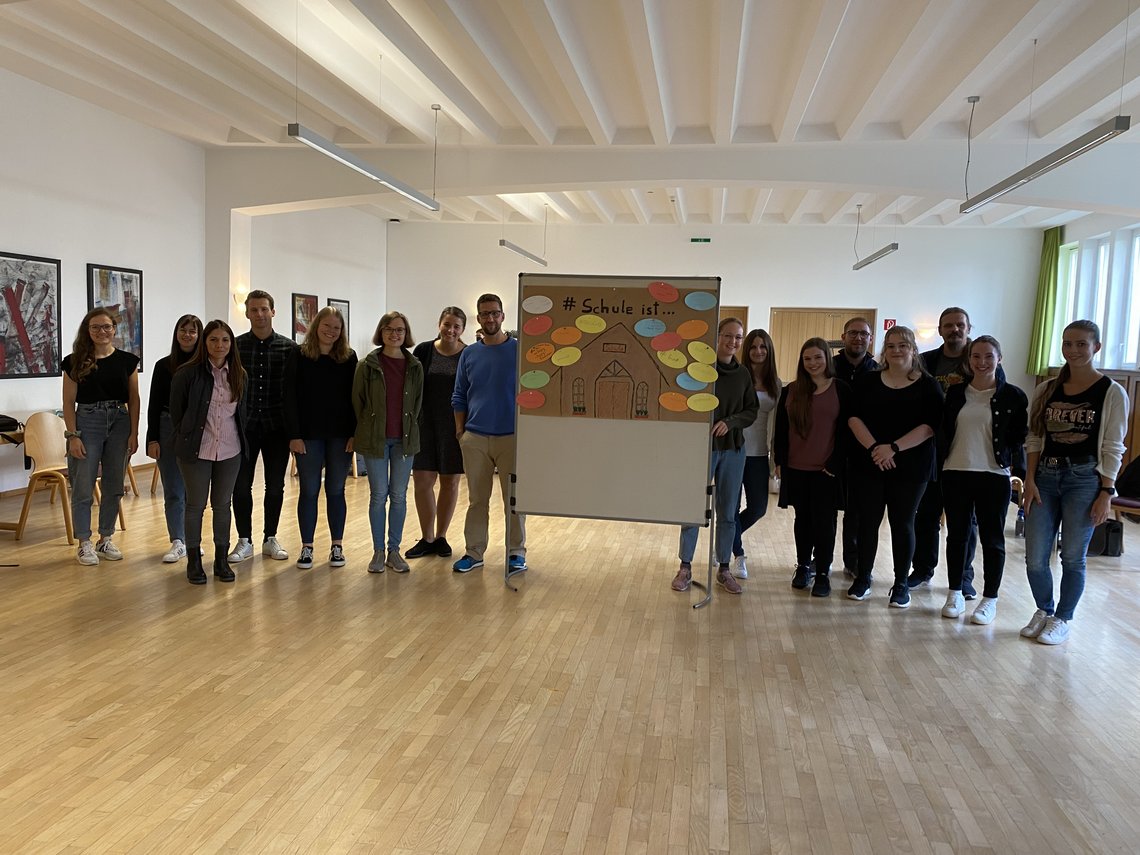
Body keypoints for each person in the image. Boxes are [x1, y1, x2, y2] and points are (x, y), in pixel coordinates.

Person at [1020, 320, 1128, 645]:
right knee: (1035, 557)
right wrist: (1029, 479)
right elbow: (1035, 437)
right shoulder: (1046, 389)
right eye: (1068, 343)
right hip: (1045, 477)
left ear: (1096, 347)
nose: (1073, 350)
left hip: (1084, 479)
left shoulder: (1112, 392)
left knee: (1072, 557)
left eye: (1081, 344)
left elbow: (1113, 446)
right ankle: (1044, 609)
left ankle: (1063, 618)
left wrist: (1106, 492)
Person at [847, 325, 943, 608]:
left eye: (903, 345)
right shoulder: (867, 380)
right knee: (868, 523)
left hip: (912, 466)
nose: (897, 350)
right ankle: (863, 577)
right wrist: (876, 449)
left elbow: (930, 426)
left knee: (903, 524)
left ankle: (901, 583)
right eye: (891, 345)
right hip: (871, 462)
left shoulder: (928, 385)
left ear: (913, 349)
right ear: (884, 350)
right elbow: (853, 418)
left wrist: (894, 448)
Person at [938, 336, 1028, 624]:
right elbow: (943, 430)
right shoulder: (955, 393)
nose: (982, 362)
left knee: (992, 539)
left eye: (989, 356)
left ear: (999, 359)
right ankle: (955, 592)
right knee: (957, 536)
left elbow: (1019, 440)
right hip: (956, 471)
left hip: (993, 475)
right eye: (976, 356)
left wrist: (1023, 476)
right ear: (969, 360)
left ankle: (990, 599)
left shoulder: (1013, 396)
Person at [672, 318, 759, 595]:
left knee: (728, 511)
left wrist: (730, 422)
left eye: (738, 337)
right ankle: (685, 567)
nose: (733, 342)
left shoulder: (743, 374)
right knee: (693, 507)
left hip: (733, 450)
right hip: (702, 450)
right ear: (717, 336)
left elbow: (751, 410)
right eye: (728, 336)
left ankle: (724, 568)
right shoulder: (699, 370)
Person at [911, 307, 984, 596]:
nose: (954, 330)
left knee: (965, 521)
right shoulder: (925, 361)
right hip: (931, 450)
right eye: (949, 325)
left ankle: (963, 576)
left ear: (968, 328)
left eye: (960, 325)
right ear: (940, 330)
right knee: (925, 515)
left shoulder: (979, 360)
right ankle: (922, 569)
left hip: (967, 453)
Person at [451, 294, 526, 573]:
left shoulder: (520, 350)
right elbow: (459, 394)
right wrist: (461, 432)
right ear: (479, 318)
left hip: (511, 437)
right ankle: (474, 552)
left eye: (495, 313)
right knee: (477, 501)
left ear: (503, 316)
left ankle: (516, 553)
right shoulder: (469, 353)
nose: (490, 318)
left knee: (514, 501)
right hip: (475, 438)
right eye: (485, 314)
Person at [170, 320, 248, 585]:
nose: (219, 345)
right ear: (204, 343)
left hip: (230, 449)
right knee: (195, 505)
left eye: (225, 340)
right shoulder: (187, 374)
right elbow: (177, 413)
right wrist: (188, 436)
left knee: (222, 505)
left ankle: (221, 561)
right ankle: (193, 561)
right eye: (213, 339)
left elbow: (242, 413)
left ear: (231, 344)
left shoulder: (239, 374)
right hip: (197, 449)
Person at [773, 337, 852, 598]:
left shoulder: (840, 389)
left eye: (818, 357)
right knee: (803, 520)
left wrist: (835, 463)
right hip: (796, 467)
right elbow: (781, 429)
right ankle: (803, 566)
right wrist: (779, 462)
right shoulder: (791, 390)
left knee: (824, 523)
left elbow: (846, 431)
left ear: (827, 358)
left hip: (825, 470)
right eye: (807, 359)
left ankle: (823, 573)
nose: (813, 363)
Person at [62, 308, 141, 565]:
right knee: (83, 484)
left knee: (114, 485)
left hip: (119, 422)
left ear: (114, 329)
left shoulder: (127, 361)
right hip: (87, 422)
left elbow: (134, 399)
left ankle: (105, 538)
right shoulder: (74, 362)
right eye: (95, 327)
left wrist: (134, 432)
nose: (101, 331)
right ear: (88, 331)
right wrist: (73, 436)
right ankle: (84, 542)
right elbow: (68, 402)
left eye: (106, 326)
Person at [285, 307, 357, 570]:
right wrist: (294, 435)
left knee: (336, 490)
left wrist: (355, 434)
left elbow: (356, 398)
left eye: (337, 328)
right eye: (327, 326)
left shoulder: (349, 357)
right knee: (309, 490)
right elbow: (289, 396)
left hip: (341, 436)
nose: (331, 331)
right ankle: (307, 547)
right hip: (308, 436)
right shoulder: (299, 355)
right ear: (316, 326)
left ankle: (337, 546)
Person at [229, 289, 297, 564]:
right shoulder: (235, 347)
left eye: (264, 309)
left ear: (273, 312)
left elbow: (295, 392)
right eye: (254, 310)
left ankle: (270, 537)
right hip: (243, 428)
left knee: (275, 486)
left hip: (276, 427)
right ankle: (244, 540)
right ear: (247, 313)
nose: (259, 314)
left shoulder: (289, 348)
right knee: (240, 486)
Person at [353, 311, 423, 573]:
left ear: (406, 334)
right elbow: (358, 402)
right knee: (378, 495)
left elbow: (418, 403)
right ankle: (378, 551)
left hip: (404, 440)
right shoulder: (367, 365)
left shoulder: (414, 366)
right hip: (376, 440)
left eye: (400, 330)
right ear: (381, 332)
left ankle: (394, 550)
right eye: (389, 329)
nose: (395, 334)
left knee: (399, 496)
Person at [406, 307, 467, 559]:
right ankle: (427, 537)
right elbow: (411, 386)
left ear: (462, 329)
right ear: (439, 324)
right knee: (422, 481)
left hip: (454, 427)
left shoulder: (468, 354)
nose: (450, 330)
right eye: (447, 324)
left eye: (456, 326)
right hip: (424, 425)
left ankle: (441, 537)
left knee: (449, 483)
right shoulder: (423, 350)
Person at [145, 314, 202, 564]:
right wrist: (152, 439)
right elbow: (154, 404)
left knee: (194, 490)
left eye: (192, 331)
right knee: (173, 489)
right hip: (167, 427)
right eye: (183, 330)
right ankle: (178, 540)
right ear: (176, 333)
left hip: (198, 430)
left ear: (199, 336)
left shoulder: (205, 366)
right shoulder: (163, 366)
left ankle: (193, 541)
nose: (187, 335)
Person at [728, 328, 780, 580]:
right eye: (753, 347)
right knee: (731, 507)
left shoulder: (776, 384)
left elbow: (779, 423)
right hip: (733, 450)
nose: (758, 351)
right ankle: (738, 555)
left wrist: (777, 458)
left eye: (763, 347)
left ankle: (726, 537)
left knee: (758, 508)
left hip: (759, 454)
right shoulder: (737, 377)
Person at [833, 317, 878, 576]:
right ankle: (819, 558)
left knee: (857, 511)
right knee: (825, 508)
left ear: (870, 338)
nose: (858, 337)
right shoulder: (830, 366)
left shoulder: (877, 371)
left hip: (863, 450)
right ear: (843, 337)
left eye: (864, 333)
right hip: (830, 446)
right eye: (853, 333)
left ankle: (853, 562)